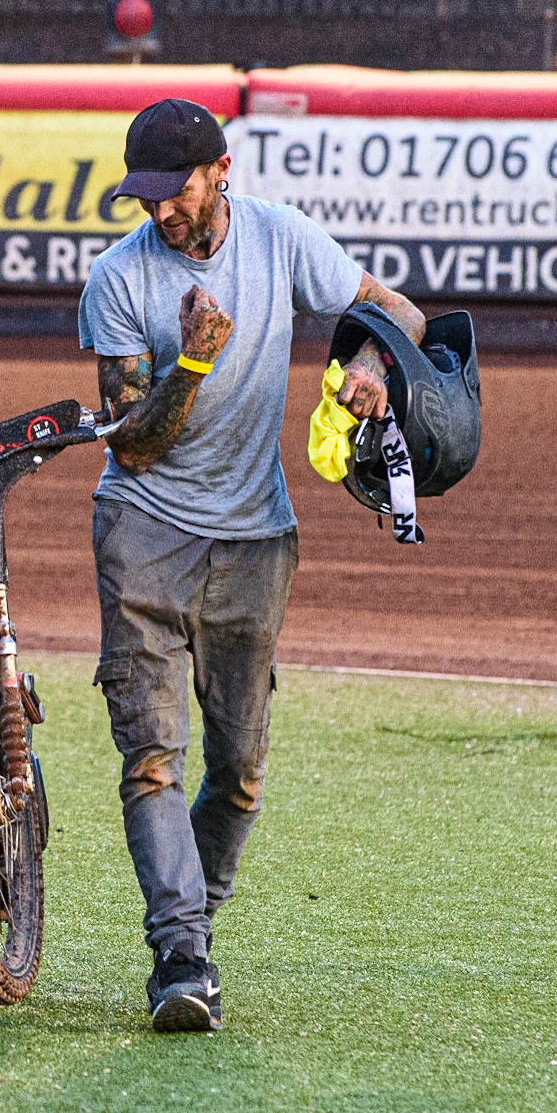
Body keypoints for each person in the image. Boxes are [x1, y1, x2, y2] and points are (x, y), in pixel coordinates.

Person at [80, 98, 426, 1033]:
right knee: (152, 757)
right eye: (144, 197)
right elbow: (134, 446)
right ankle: (181, 953)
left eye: (175, 192)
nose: (160, 213)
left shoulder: (280, 238)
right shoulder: (115, 281)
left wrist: (368, 366)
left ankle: (191, 918)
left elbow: (396, 311)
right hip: (142, 530)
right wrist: (189, 365)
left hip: (253, 540)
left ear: (219, 170)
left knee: (238, 770)